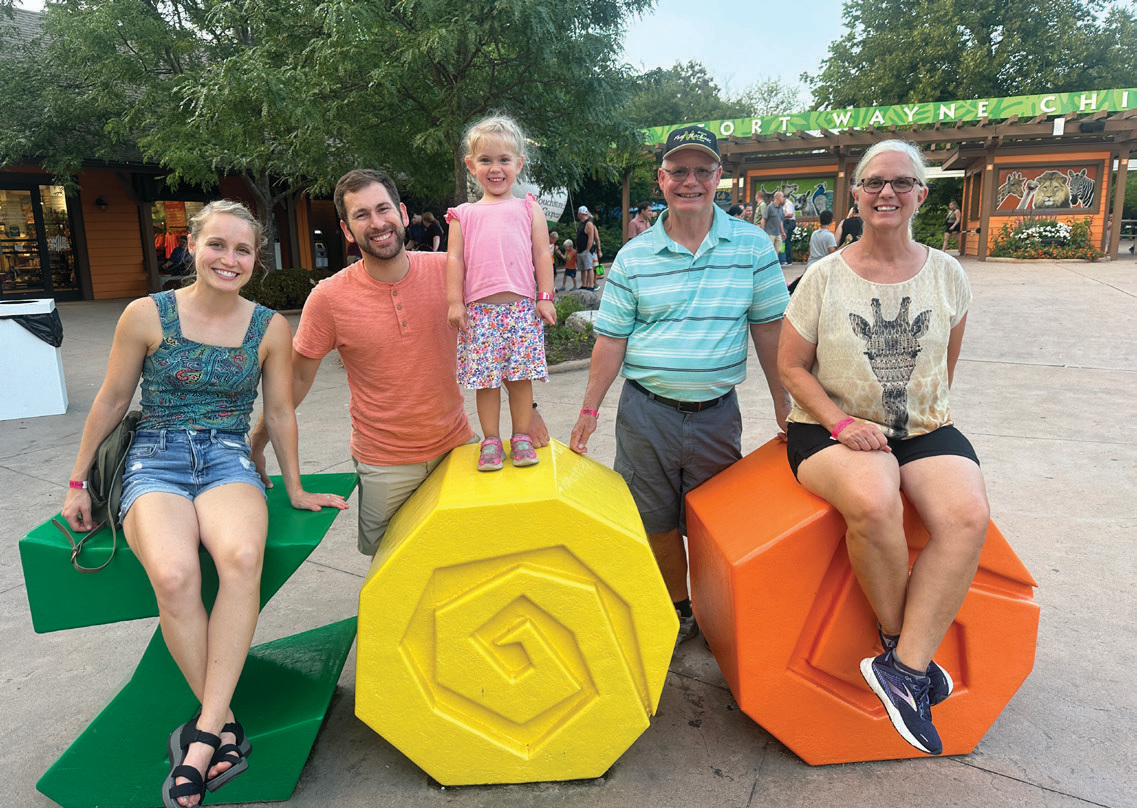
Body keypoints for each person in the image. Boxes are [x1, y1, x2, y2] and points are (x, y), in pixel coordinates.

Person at [61, 200, 348, 808]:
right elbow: (112, 400)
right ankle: (225, 728)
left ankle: (204, 736)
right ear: (192, 246)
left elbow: (278, 412)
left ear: (254, 260)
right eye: (218, 245)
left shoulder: (268, 326)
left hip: (226, 458)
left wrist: (293, 486)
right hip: (155, 455)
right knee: (173, 573)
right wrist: (77, 481)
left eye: (243, 250)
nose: (230, 259)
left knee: (241, 560)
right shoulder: (146, 315)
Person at [777, 140, 988, 757]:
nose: (886, 193)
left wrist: (914, 423)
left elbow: (944, 367)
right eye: (873, 183)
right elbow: (792, 367)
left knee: (967, 516)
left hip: (921, 426)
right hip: (830, 425)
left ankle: (903, 670)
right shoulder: (823, 275)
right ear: (856, 194)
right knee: (874, 496)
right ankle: (905, 650)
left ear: (923, 194)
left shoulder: (948, 273)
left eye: (901, 182)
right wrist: (842, 425)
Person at [569, 125, 790, 648]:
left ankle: (718, 612)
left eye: (702, 171)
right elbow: (611, 339)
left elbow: (769, 330)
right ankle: (679, 607)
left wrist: (787, 404)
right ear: (661, 180)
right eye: (679, 171)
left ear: (720, 177)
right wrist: (589, 410)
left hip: (716, 413)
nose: (691, 181)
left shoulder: (752, 247)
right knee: (655, 522)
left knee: (716, 525)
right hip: (646, 413)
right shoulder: (634, 256)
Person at [250, 169, 549, 555]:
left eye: (383, 209)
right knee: (391, 571)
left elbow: (498, 335)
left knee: (466, 560)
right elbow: (295, 382)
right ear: (345, 229)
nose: (377, 223)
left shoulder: (450, 274)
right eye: (361, 215)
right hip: (383, 465)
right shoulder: (328, 299)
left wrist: (530, 411)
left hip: (456, 451)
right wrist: (256, 444)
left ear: (403, 214)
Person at [445, 115, 557, 471]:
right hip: (479, 314)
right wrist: (454, 302)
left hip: (522, 310)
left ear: (518, 164)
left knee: (521, 379)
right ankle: (491, 441)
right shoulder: (463, 214)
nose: (496, 168)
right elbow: (455, 259)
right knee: (486, 382)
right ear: (470, 165)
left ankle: (520, 437)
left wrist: (545, 296)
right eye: (486, 160)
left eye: (504, 160)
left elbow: (542, 254)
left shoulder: (528, 208)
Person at [575, 205, 601, 290]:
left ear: (581, 213)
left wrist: (587, 249)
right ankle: (584, 284)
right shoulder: (581, 224)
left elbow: (591, 237)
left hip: (586, 250)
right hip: (580, 249)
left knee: (589, 268)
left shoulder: (589, 223)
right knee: (582, 268)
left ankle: (591, 285)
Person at [762, 190, 786, 258]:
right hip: (770, 233)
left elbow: (780, 220)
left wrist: (783, 232)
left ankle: (774, 264)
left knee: (777, 250)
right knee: (769, 251)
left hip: (778, 233)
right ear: (778, 197)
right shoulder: (770, 207)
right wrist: (763, 231)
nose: (783, 198)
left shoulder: (780, 208)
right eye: (782, 197)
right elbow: (763, 219)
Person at [782, 192, 797, 264]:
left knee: (787, 241)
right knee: (785, 240)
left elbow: (790, 215)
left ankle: (788, 260)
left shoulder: (788, 204)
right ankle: (785, 258)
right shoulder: (784, 204)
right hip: (786, 222)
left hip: (789, 223)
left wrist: (781, 215)